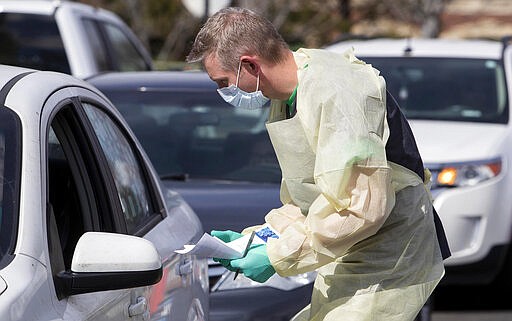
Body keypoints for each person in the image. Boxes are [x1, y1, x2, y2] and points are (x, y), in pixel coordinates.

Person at [186, 7, 450, 321]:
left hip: (389, 256)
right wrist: (259, 237)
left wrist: (277, 255)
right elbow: (308, 199)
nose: (223, 92)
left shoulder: (337, 92)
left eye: (224, 82)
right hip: (350, 253)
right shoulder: (287, 99)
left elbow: (361, 207)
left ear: (249, 65)